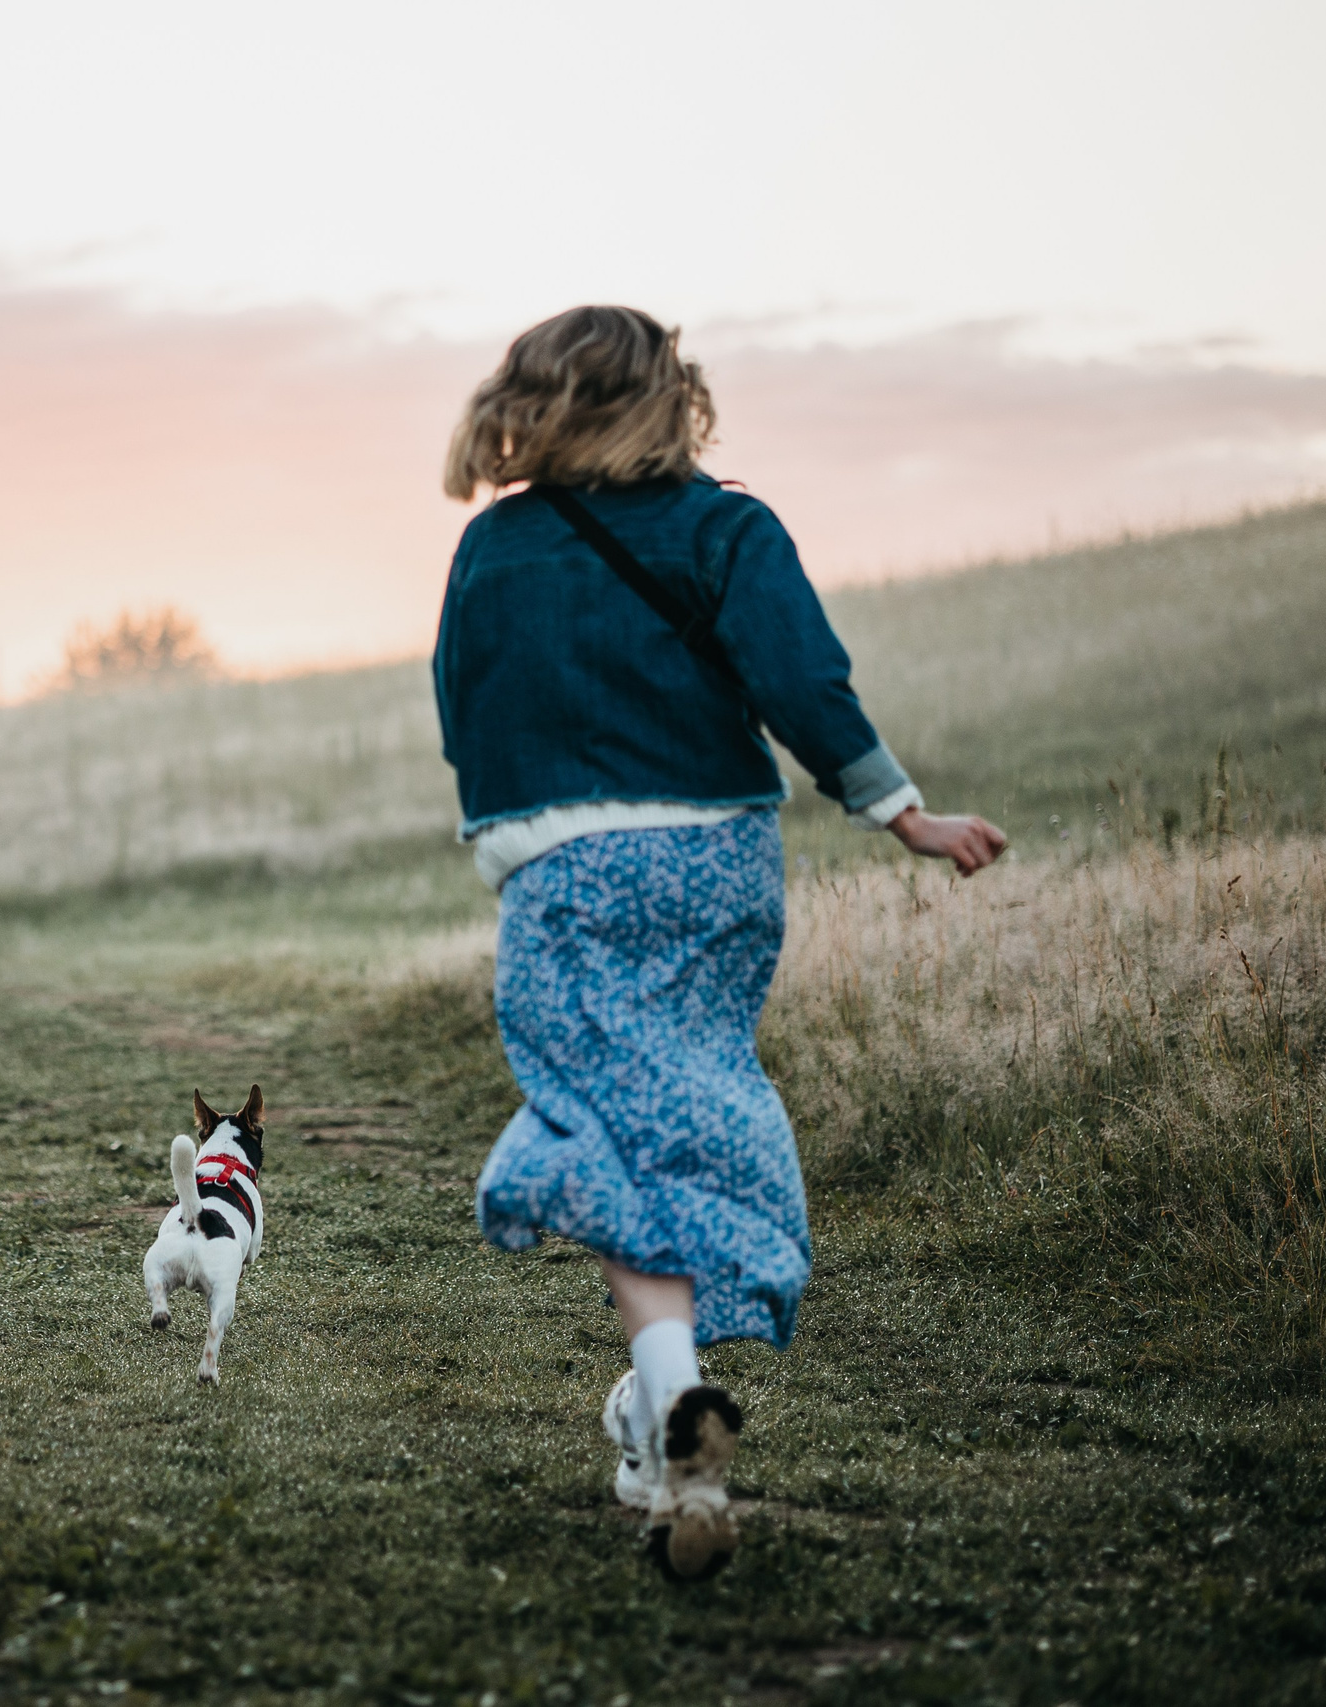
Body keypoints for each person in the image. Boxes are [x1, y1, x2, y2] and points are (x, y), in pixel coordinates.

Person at [431, 306, 1006, 1579]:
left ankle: (673, 1396)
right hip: (719, 868)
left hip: (568, 871)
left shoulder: (493, 549)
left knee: (603, 1128)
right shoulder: (725, 528)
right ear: (670, 398)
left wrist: (515, 837)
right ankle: (660, 1425)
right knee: (686, 1106)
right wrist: (902, 815)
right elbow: (804, 685)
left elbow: (465, 713)